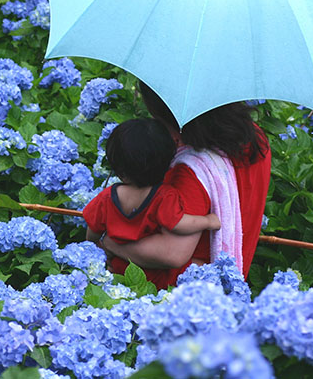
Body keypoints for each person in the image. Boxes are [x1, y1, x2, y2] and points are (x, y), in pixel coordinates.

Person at [96, 81, 271, 287]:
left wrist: (109, 241)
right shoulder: (253, 138)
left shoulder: (191, 171)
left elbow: (173, 253)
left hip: (172, 293)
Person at [83, 118, 221, 288]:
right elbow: (179, 223)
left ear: (118, 169)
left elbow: (92, 229)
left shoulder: (106, 197)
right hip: (154, 277)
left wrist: (97, 246)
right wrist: (208, 221)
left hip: (119, 270)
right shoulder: (164, 197)